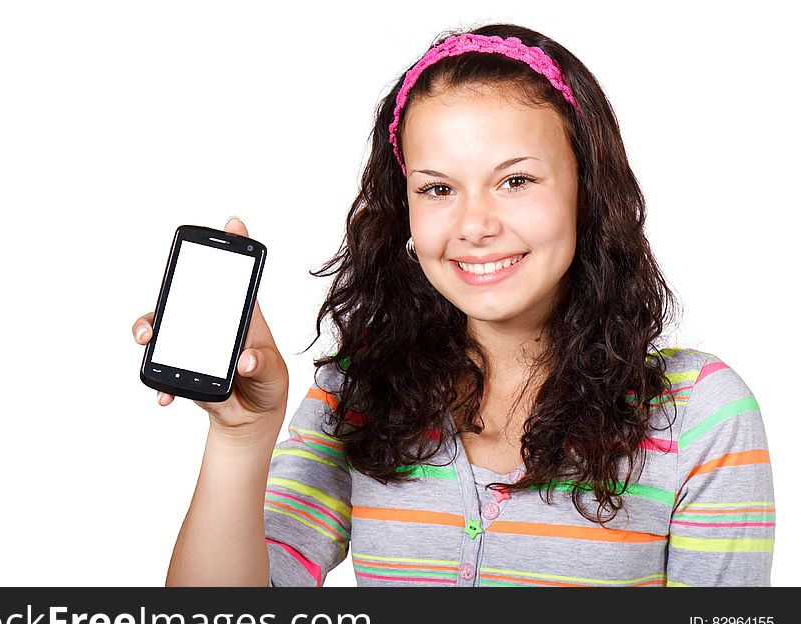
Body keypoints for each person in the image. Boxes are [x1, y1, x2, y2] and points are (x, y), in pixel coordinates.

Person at [132, 23, 775, 587]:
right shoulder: (357, 390)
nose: (474, 225)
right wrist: (240, 440)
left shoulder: (700, 414)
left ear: (589, 189)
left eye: (516, 180)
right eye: (438, 188)